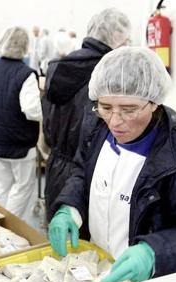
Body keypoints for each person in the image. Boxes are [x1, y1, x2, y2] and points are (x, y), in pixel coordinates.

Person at [48, 46, 176, 282]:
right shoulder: (98, 126)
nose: (115, 121)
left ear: (154, 102)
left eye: (129, 109)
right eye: (106, 107)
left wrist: (155, 253)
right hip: (99, 272)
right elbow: (81, 169)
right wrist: (70, 208)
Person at [42, 8, 131, 220]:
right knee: (85, 246)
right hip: (86, 175)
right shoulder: (108, 74)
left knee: (61, 243)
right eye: (127, 40)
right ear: (117, 39)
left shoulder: (63, 66)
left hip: (55, 168)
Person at [0, 26, 42, 224]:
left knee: (2, 187)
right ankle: (8, 227)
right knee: (23, 188)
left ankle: (0, 226)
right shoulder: (26, 75)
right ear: (25, 46)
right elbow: (32, 110)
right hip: (19, 144)